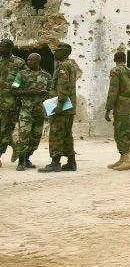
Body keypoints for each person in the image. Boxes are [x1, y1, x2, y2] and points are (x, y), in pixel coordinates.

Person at [39, 42, 77, 173]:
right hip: (69, 107)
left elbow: (63, 87)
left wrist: (59, 105)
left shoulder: (63, 66)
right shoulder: (71, 65)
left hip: (61, 107)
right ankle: (71, 162)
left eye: (56, 50)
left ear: (63, 52)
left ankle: (55, 162)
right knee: (66, 135)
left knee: (56, 133)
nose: (54, 53)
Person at [12, 53, 51, 171]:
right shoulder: (21, 74)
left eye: (31, 60)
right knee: (24, 136)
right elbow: (14, 89)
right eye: (28, 60)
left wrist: (46, 94)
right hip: (26, 111)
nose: (28, 62)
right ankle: (21, 161)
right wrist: (30, 92)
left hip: (40, 111)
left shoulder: (46, 76)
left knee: (35, 138)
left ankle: (27, 158)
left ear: (38, 61)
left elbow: (51, 91)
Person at [104, 51, 130, 171]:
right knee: (128, 132)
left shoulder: (116, 71)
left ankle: (127, 160)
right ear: (125, 60)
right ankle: (123, 158)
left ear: (115, 60)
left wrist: (108, 108)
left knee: (121, 133)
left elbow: (113, 91)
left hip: (122, 108)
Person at [0, 39, 26, 166]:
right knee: (5, 129)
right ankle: (15, 147)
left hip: (10, 102)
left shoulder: (19, 62)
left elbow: (25, 78)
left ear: (10, 48)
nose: (0, 49)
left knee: (4, 129)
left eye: (2, 47)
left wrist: (17, 88)